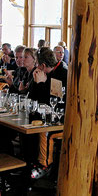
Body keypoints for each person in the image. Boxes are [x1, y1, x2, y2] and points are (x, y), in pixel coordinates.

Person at [27, 47, 68, 179]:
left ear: (43, 65)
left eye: (37, 64)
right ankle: (29, 162)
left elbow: (54, 101)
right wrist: (35, 83)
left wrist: (41, 84)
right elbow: (32, 99)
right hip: (42, 115)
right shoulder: (39, 73)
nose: (36, 67)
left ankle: (44, 165)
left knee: (44, 131)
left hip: (62, 119)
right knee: (29, 126)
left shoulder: (63, 74)